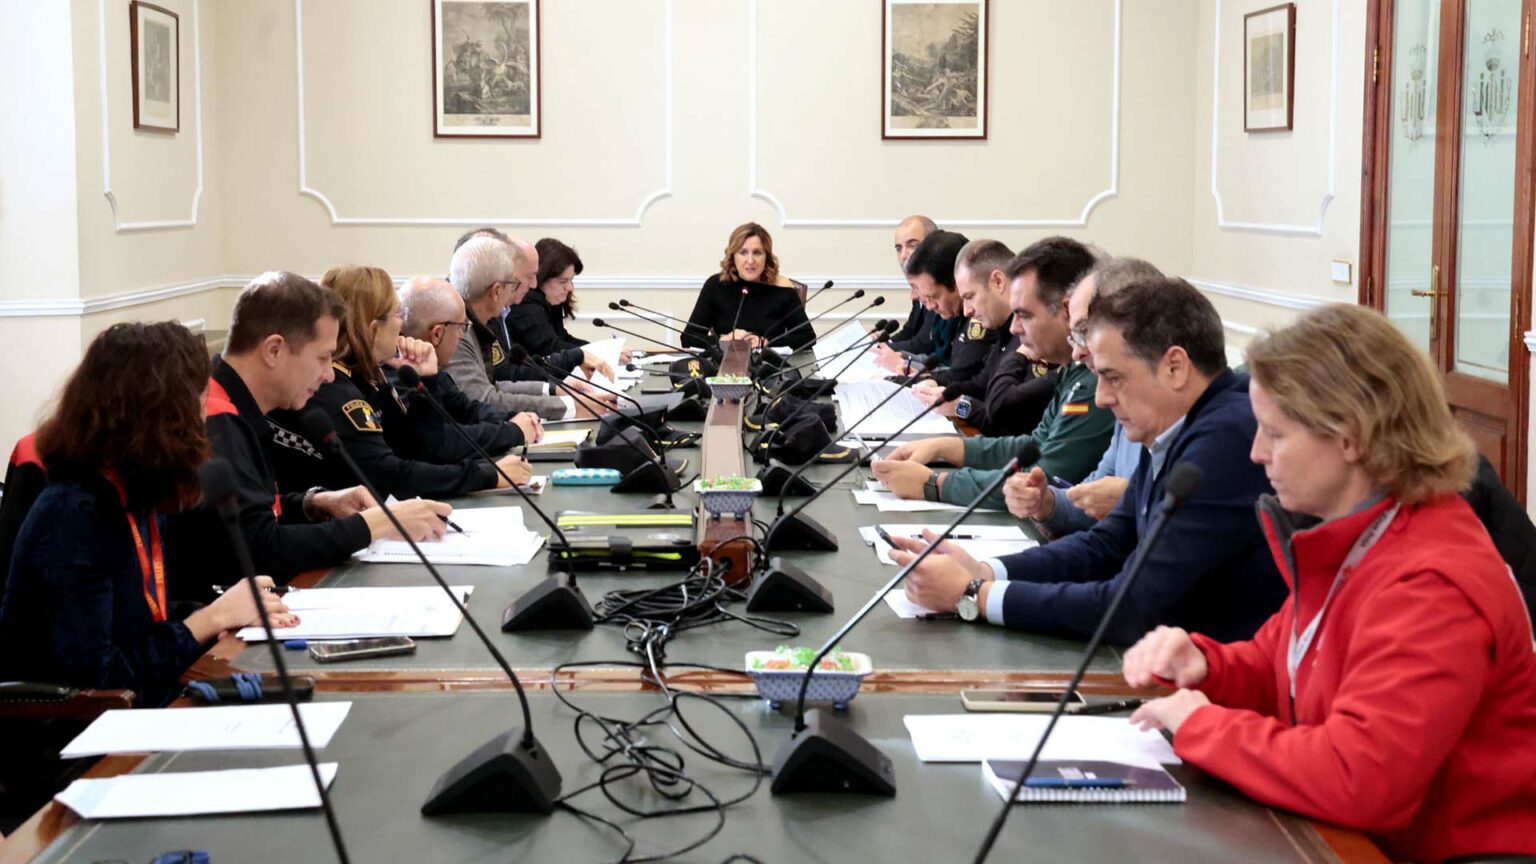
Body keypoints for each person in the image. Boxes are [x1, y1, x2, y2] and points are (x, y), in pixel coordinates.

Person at [1123, 304, 1536, 863]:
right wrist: (1206, 664)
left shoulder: (1432, 581)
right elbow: (1284, 669)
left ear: (1350, 437)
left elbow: (1358, 777)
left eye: (1274, 433)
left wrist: (1201, 724)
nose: (1256, 453)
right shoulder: (1357, 535)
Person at [888, 277, 1285, 644]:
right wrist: (985, 571)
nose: (1102, 398)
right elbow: (1106, 545)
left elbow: (1135, 606)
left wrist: (975, 595)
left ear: (1175, 367)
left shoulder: (1224, 440)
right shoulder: (1183, 424)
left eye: (1114, 377)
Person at [0, 323, 296, 707]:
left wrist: (224, 613)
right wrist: (209, 620)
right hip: (74, 732)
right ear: (162, 417)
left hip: (148, 706)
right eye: (197, 404)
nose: (203, 421)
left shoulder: (137, 493)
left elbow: (141, 620)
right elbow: (99, 681)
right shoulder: (73, 515)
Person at [166, 272, 451, 595]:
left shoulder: (235, 402)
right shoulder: (216, 420)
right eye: (323, 357)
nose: (329, 375)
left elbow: (252, 512)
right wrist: (376, 525)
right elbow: (259, 549)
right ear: (274, 350)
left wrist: (312, 503)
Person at [871, 238, 1116, 511]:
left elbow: (1042, 478)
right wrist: (946, 447)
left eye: (1024, 314)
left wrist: (935, 484)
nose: (1014, 328)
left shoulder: (1093, 379)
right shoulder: (1074, 371)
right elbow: (1034, 444)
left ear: (1066, 311)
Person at [268, 265, 533, 500]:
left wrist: (427, 380)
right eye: (398, 314)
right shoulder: (332, 388)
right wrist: (486, 474)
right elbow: (393, 475)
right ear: (373, 329)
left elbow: (420, 445)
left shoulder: (368, 376)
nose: (403, 323)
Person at [1004, 257, 1164, 539]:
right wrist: (1046, 502)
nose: (1077, 351)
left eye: (1084, 331)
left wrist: (1138, 500)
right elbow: (1091, 499)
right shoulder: (1122, 396)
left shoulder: (1214, 428)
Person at [919, 238, 1090, 436]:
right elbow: (981, 384)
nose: (966, 311)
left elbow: (1004, 413)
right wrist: (939, 388)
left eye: (969, 297)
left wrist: (961, 406)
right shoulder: (1003, 329)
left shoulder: (1050, 351)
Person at [446, 236, 615, 420]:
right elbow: (485, 399)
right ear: (497, 291)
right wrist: (569, 406)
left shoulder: (474, 323)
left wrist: (553, 390)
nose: (532, 285)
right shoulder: (457, 330)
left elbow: (494, 384)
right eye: (512, 283)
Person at [394, 275, 544, 460]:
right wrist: (513, 431)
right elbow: (444, 441)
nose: (462, 335)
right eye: (461, 327)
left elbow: (465, 408)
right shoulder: (399, 378)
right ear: (437, 334)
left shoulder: (430, 367)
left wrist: (513, 417)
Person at [683, 222, 814, 351]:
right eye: (743, 252)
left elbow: (807, 337)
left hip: (768, 362)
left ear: (766, 257)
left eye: (757, 253)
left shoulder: (782, 289)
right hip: (724, 363)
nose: (750, 261)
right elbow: (688, 337)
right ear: (733, 256)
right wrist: (722, 340)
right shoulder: (716, 286)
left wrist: (766, 341)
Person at [504, 237, 590, 357]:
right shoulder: (524, 305)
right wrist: (593, 353)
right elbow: (549, 347)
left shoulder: (550, 299)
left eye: (571, 280)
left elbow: (562, 337)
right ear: (542, 278)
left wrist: (599, 348)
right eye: (563, 281)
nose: (570, 287)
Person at [878, 215, 938, 362]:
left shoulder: (938, 286)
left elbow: (923, 343)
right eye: (899, 248)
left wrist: (879, 348)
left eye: (912, 245)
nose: (904, 255)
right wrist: (883, 342)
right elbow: (910, 330)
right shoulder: (917, 283)